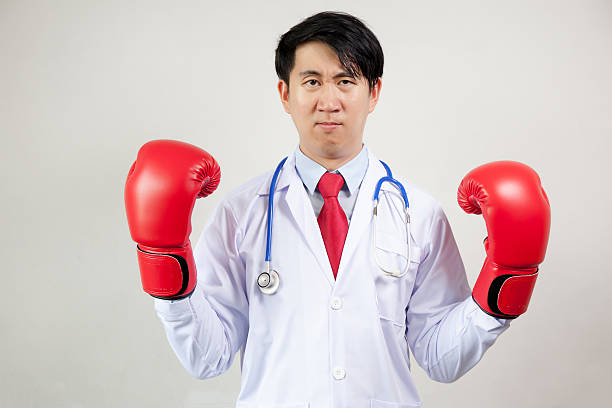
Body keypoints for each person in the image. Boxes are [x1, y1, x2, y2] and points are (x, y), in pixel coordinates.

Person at [124, 11, 550, 407]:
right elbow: (208, 358)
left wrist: (503, 286)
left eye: (346, 80)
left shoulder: (419, 213)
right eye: (312, 82)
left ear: (374, 92)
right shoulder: (241, 213)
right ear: (285, 94)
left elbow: (442, 360)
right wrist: (166, 265)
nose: (329, 100)